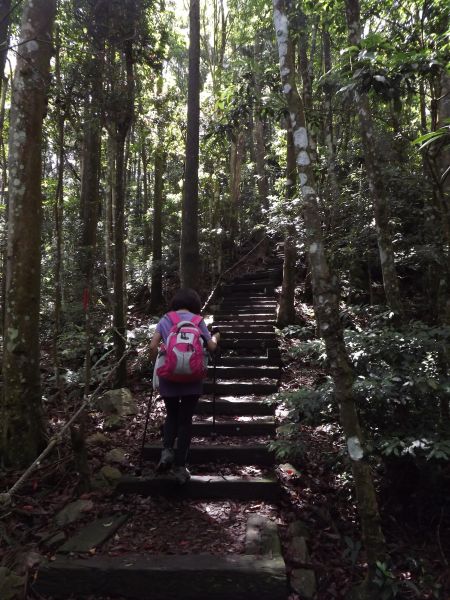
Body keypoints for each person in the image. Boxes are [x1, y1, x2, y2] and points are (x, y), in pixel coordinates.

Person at [149, 288, 220, 483]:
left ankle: (166, 453)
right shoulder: (198, 321)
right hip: (193, 377)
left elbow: (153, 346)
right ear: (195, 304)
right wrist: (216, 337)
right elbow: (211, 347)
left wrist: (156, 363)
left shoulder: (165, 319)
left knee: (171, 415)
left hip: (169, 375)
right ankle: (180, 466)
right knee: (185, 419)